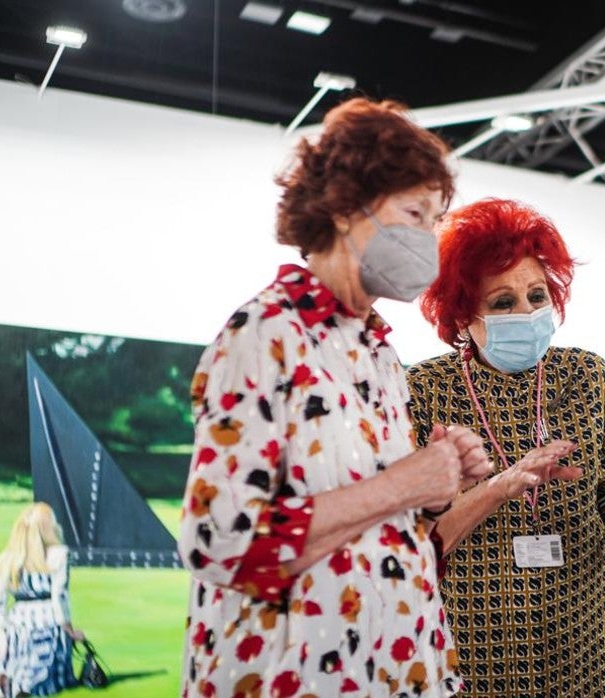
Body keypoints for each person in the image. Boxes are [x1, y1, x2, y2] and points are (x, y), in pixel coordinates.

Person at [176, 97, 492, 698]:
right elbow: (219, 541)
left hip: (391, 670)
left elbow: (375, 529)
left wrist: (433, 488)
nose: (431, 237)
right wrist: (406, 485)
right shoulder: (266, 333)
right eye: (415, 212)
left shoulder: (377, 352)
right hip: (294, 677)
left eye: (436, 219)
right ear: (347, 209)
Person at [406, 198, 605, 696]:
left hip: (585, 652)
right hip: (474, 657)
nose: (528, 313)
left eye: (537, 295)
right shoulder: (424, 391)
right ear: (462, 315)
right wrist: (497, 488)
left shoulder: (585, 376)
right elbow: (415, 544)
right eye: (503, 302)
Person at [0, 502, 83, 698]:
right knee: (43, 659)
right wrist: (69, 628)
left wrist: (0, 627)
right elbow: (59, 596)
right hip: (47, 619)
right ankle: (25, 686)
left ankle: (7, 681)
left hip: (18, 620)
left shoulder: (7, 558)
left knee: (15, 655)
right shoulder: (59, 554)